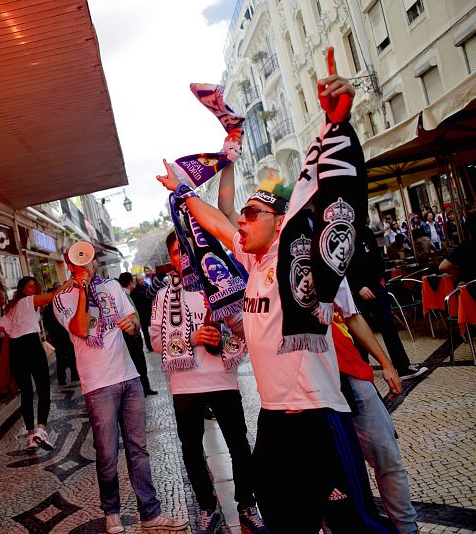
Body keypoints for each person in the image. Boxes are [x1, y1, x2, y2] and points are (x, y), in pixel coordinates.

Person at [156, 68, 392, 533]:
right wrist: (181, 192)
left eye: (251, 213)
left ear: (280, 221)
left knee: (351, 525)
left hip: (318, 419)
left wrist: (337, 126)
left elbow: (335, 199)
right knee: (284, 521)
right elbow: (216, 225)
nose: (240, 221)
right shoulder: (255, 261)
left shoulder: (300, 260)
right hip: (272, 418)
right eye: (242, 214)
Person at [53, 244, 187, 533]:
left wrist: (132, 326)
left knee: (138, 449)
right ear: (68, 266)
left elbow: (136, 321)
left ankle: (150, 513)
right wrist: (81, 292)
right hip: (98, 384)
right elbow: (79, 327)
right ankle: (111, 512)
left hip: (129, 377)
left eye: (87, 261)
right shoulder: (61, 298)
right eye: (77, 263)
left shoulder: (112, 286)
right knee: (107, 452)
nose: (84, 266)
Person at [151, 232, 265, 534]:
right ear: (171, 258)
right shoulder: (164, 295)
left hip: (223, 379)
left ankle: (247, 505)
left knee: (239, 444)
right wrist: (191, 337)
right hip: (185, 385)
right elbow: (152, 340)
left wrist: (225, 318)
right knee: (191, 449)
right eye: (176, 253)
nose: (182, 257)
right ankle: (206, 506)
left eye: (185, 250)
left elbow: (244, 327)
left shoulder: (219, 284)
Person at [333, 291, 420, 534]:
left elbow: (352, 316)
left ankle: (406, 529)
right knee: (335, 475)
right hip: (309, 389)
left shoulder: (328, 263)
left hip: (352, 374)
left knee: (387, 457)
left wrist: (386, 362)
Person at [0, 276, 72, 451]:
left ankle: (31, 436)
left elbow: (1, 328)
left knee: (26, 393)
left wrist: (19, 324)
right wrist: (72, 281)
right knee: (43, 388)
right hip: (31, 345)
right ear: (23, 289)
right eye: (30, 286)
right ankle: (40, 429)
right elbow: (53, 295)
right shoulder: (28, 301)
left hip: (17, 349)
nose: (33, 290)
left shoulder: (11, 307)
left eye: (35, 287)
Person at [349, 225, 427, 380]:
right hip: (356, 292)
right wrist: (357, 287)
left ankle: (403, 366)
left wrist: (380, 282)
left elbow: (377, 259)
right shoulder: (341, 230)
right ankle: (363, 370)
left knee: (389, 327)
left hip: (376, 287)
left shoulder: (366, 230)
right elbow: (343, 266)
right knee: (360, 332)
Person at [118, 272, 157, 396]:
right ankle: (143, 389)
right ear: (130, 282)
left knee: (139, 362)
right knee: (138, 363)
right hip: (131, 336)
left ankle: (145, 388)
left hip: (134, 333)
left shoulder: (127, 294)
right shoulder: (123, 296)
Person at [41, 284, 79, 385]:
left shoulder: (48, 309)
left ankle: (63, 379)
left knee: (62, 357)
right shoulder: (57, 307)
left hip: (59, 336)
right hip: (62, 335)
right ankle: (72, 376)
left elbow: (46, 324)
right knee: (68, 356)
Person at [131, 274, 155, 351]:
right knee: (145, 332)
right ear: (137, 281)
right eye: (140, 280)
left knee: (153, 330)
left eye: (142, 279)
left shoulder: (147, 288)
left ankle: (155, 344)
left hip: (150, 312)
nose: (141, 281)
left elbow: (151, 298)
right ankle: (149, 346)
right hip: (141, 314)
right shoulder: (134, 292)